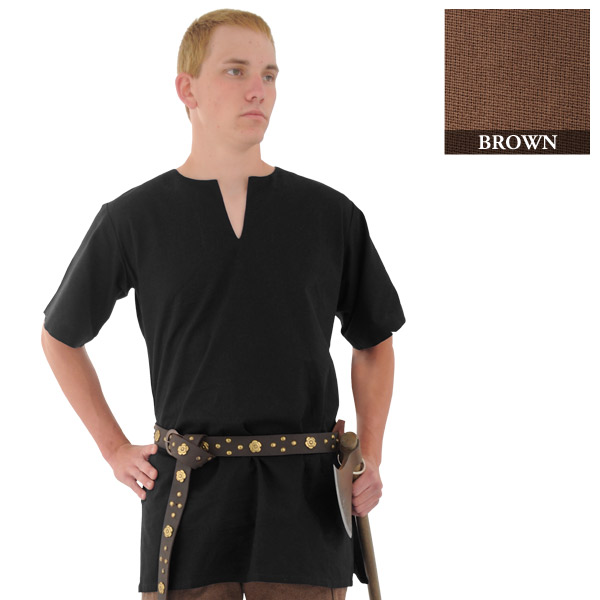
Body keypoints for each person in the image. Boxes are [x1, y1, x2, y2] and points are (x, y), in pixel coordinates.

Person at [41, 8, 405, 600]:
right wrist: (113, 448)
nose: (258, 89)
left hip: (306, 501)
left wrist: (371, 455)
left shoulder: (330, 216)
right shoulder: (133, 219)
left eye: (270, 74)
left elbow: (375, 342)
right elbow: (60, 336)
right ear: (187, 89)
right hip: (189, 500)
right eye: (236, 71)